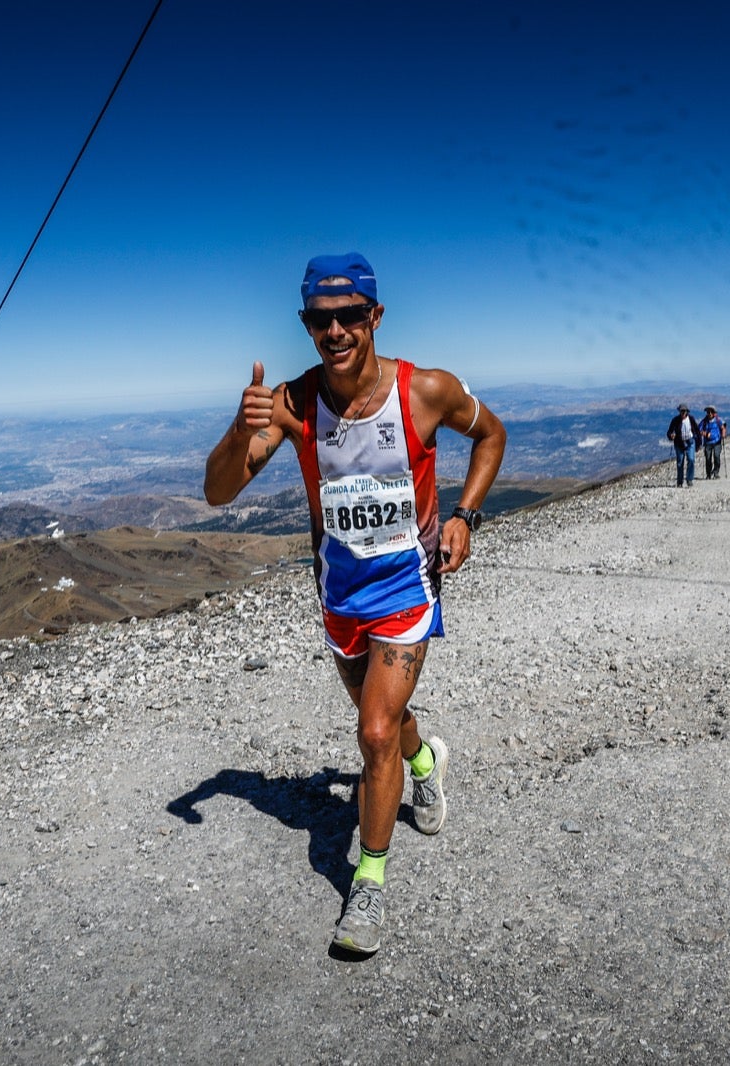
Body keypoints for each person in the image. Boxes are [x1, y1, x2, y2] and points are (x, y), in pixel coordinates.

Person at [203, 252, 507, 956]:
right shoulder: (291, 402)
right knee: (387, 722)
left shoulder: (424, 390)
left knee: (373, 733)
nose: (334, 331)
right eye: (320, 319)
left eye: (349, 316)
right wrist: (235, 427)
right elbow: (220, 492)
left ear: (375, 315)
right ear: (307, 324)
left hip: (407, 587)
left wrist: (466, 513)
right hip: (339, 594)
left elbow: (491, 434)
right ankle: (425, 764)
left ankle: (367, 882)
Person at [666, 403, 700, 486]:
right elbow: (669, 431)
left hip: (690, 441)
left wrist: (698, 443)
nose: (683, 412)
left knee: (691, 460)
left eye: (684, 411)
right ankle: (680, 481)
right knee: (680, 462)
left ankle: (689, 479)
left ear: (687, 411)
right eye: (681, 411)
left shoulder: (691, 419)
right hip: (679, 443)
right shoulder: (675, 420)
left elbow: (697, 430)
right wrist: (671, 435)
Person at [699, 405, 724, 479]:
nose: (709, 413)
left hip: (717, 441)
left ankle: (716, 472)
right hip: (708, 443)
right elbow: (699, 430)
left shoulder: (718, 420)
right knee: (708, 458)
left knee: (716, 456)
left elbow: (723, 427)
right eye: (708, 412)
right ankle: (708, 474)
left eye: (711, 412)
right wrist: (704, 433)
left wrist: (723, 435)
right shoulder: (704, 421)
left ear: (714, 413)